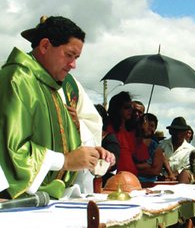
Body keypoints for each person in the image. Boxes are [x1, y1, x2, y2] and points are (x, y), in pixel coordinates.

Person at [0, 16, 115, 199]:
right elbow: (11, 151)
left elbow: (60, 142)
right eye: (69, 55)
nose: (73, 65)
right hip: (16, 201)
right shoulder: (18, 78)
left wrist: (89, 152)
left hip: (46, 196)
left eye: (76, 58)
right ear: (45, 46)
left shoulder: (51, 86)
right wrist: (66, 161)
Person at [105, 91, 138, 175]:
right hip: (117, 177)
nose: (130, 110)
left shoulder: (130, 130)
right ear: (117, 108)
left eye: (131, 107)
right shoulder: (109, 129)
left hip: (132, 176)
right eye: (126, 107)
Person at [158, 117, 195, 182]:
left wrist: (171, 175)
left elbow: (187, 169)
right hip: (161, 180)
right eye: (175, 131)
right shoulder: (161, 145)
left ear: (186, 132)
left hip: (181, 182)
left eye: (181, 131)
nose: (178, 134)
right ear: (170, 131)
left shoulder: (191, 151)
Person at [133, 113, 165, 182]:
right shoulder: (131, 141)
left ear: (155, 128)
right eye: (146, 125)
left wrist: (134, 168)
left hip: (148, 184)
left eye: (152, 126)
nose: (148, 128)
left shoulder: (156, 147)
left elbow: (156, 171)